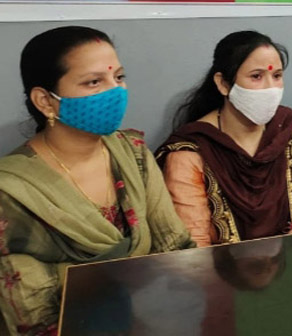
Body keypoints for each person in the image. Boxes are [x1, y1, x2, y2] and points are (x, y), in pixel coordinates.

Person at [0, 26, 195, 335]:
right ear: (45, 101)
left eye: (118, 77)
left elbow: (176, 250)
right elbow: (30, 313)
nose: (115, 92)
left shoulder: (134, 155)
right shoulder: (11, 192)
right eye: (94, 82)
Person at [156, 31, 292, 247]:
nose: (270, 89)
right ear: (223, 84)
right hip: (223, 273)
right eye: (256, 76)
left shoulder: (290, 128)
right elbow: (194, 244)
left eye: (276, 76)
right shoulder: (190, 151)